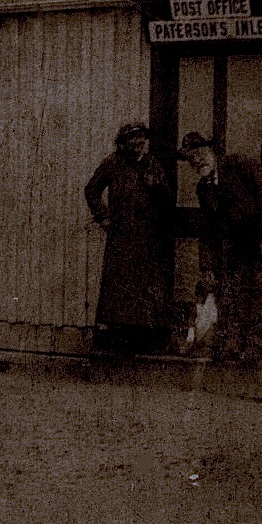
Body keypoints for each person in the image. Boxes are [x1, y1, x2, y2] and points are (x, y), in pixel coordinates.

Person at [178, 131, 262, 368]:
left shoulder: (238, 165)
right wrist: (208, 266)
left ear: (211, 152)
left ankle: (254, 350)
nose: (198, 161)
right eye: (192, 159)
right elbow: (209, 231)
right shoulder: (203, 189)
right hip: (244, 240)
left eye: (201, 154)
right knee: (235, 290)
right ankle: (233, 346)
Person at [84, 123, 173, 354]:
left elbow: (168, 199)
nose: (137, 143)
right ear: (123, 143)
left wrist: (157, 186)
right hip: (121, 237)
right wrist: (103, 216)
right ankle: (117, 338)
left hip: (147, 237)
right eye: (132, 139)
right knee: (119, 288)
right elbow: (91, 189)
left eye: (141, 138)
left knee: (145, 288)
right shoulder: (112, 163)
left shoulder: (152, 164)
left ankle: (144, 339)